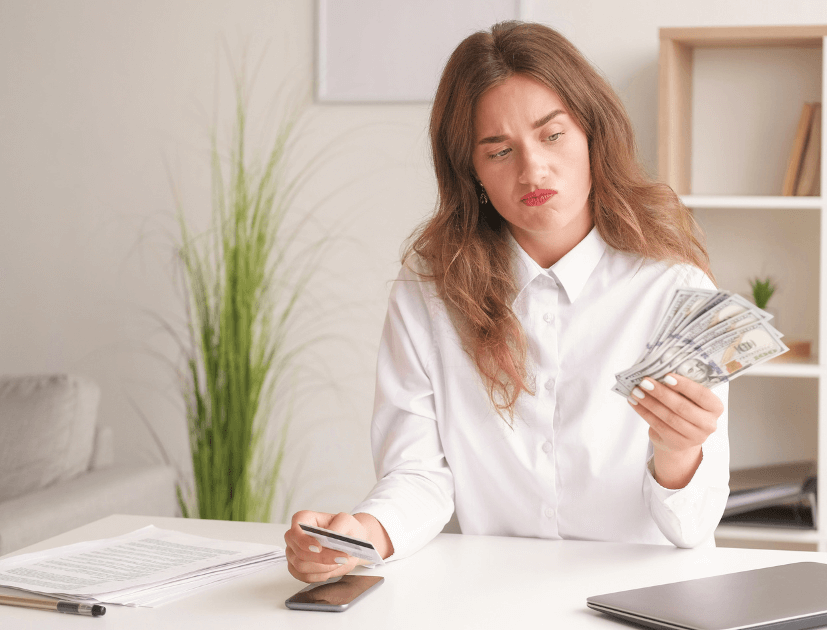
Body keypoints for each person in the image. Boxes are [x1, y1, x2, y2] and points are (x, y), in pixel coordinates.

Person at [284, 20, 730, 583]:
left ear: (594, 133)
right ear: (470, 170)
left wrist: (677, 453)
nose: (533, 170)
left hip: (646, 598)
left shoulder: (677, 289)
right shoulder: (430, 285)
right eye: (499, 150)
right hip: (493, 596)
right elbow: (418, 473)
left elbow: (694, 527)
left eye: (553, 135)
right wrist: (361, 537)